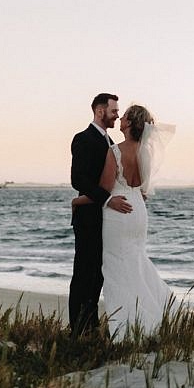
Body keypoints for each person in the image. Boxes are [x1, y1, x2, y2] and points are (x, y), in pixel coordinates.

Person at [72, 103, 175, 337]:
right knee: (137, 263)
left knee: (117, 269)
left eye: (124, 115)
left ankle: (128, 329)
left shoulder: (115, 151)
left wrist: (77, 201)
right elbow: (144, 191)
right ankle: (156, 318)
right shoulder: (145, 152)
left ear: (129, 123)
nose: (120, 118)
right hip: (138, 211)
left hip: (118, 213)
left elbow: (105, 189)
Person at [69, 92, 132, 336]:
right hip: (88, 217)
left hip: (105, 218)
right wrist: (107, 200)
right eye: (114, 111)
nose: (117, 115)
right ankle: (76, 330)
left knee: (97, 275)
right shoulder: (83, 139)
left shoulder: (110, 142)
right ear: (99, 111)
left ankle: (91, 327)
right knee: (84, 273)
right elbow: (78, 179)